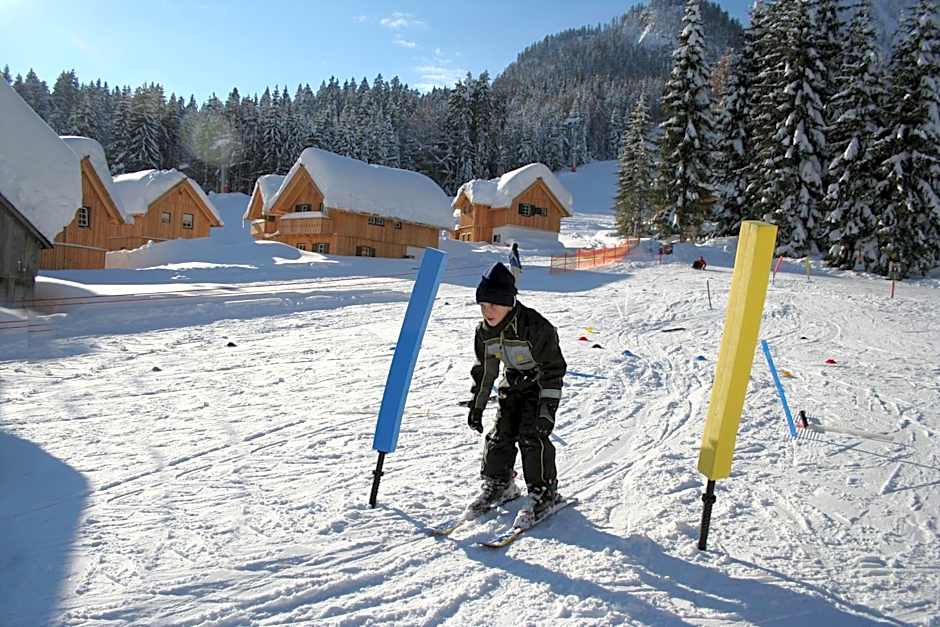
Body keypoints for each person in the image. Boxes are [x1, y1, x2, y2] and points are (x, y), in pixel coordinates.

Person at [466, 262, 567, 525]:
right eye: (483, 305)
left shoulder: (535, 327)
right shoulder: (485, 332)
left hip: (539, 384)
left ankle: (544, 492)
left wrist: (547, 411)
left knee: (533, 435)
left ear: (509, 302)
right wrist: (477, 407)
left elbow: (553, 370)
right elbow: (486, 371)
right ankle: (500, 484)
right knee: (500, 435)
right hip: (512, 384)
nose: (487, 311)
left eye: (494, 305)